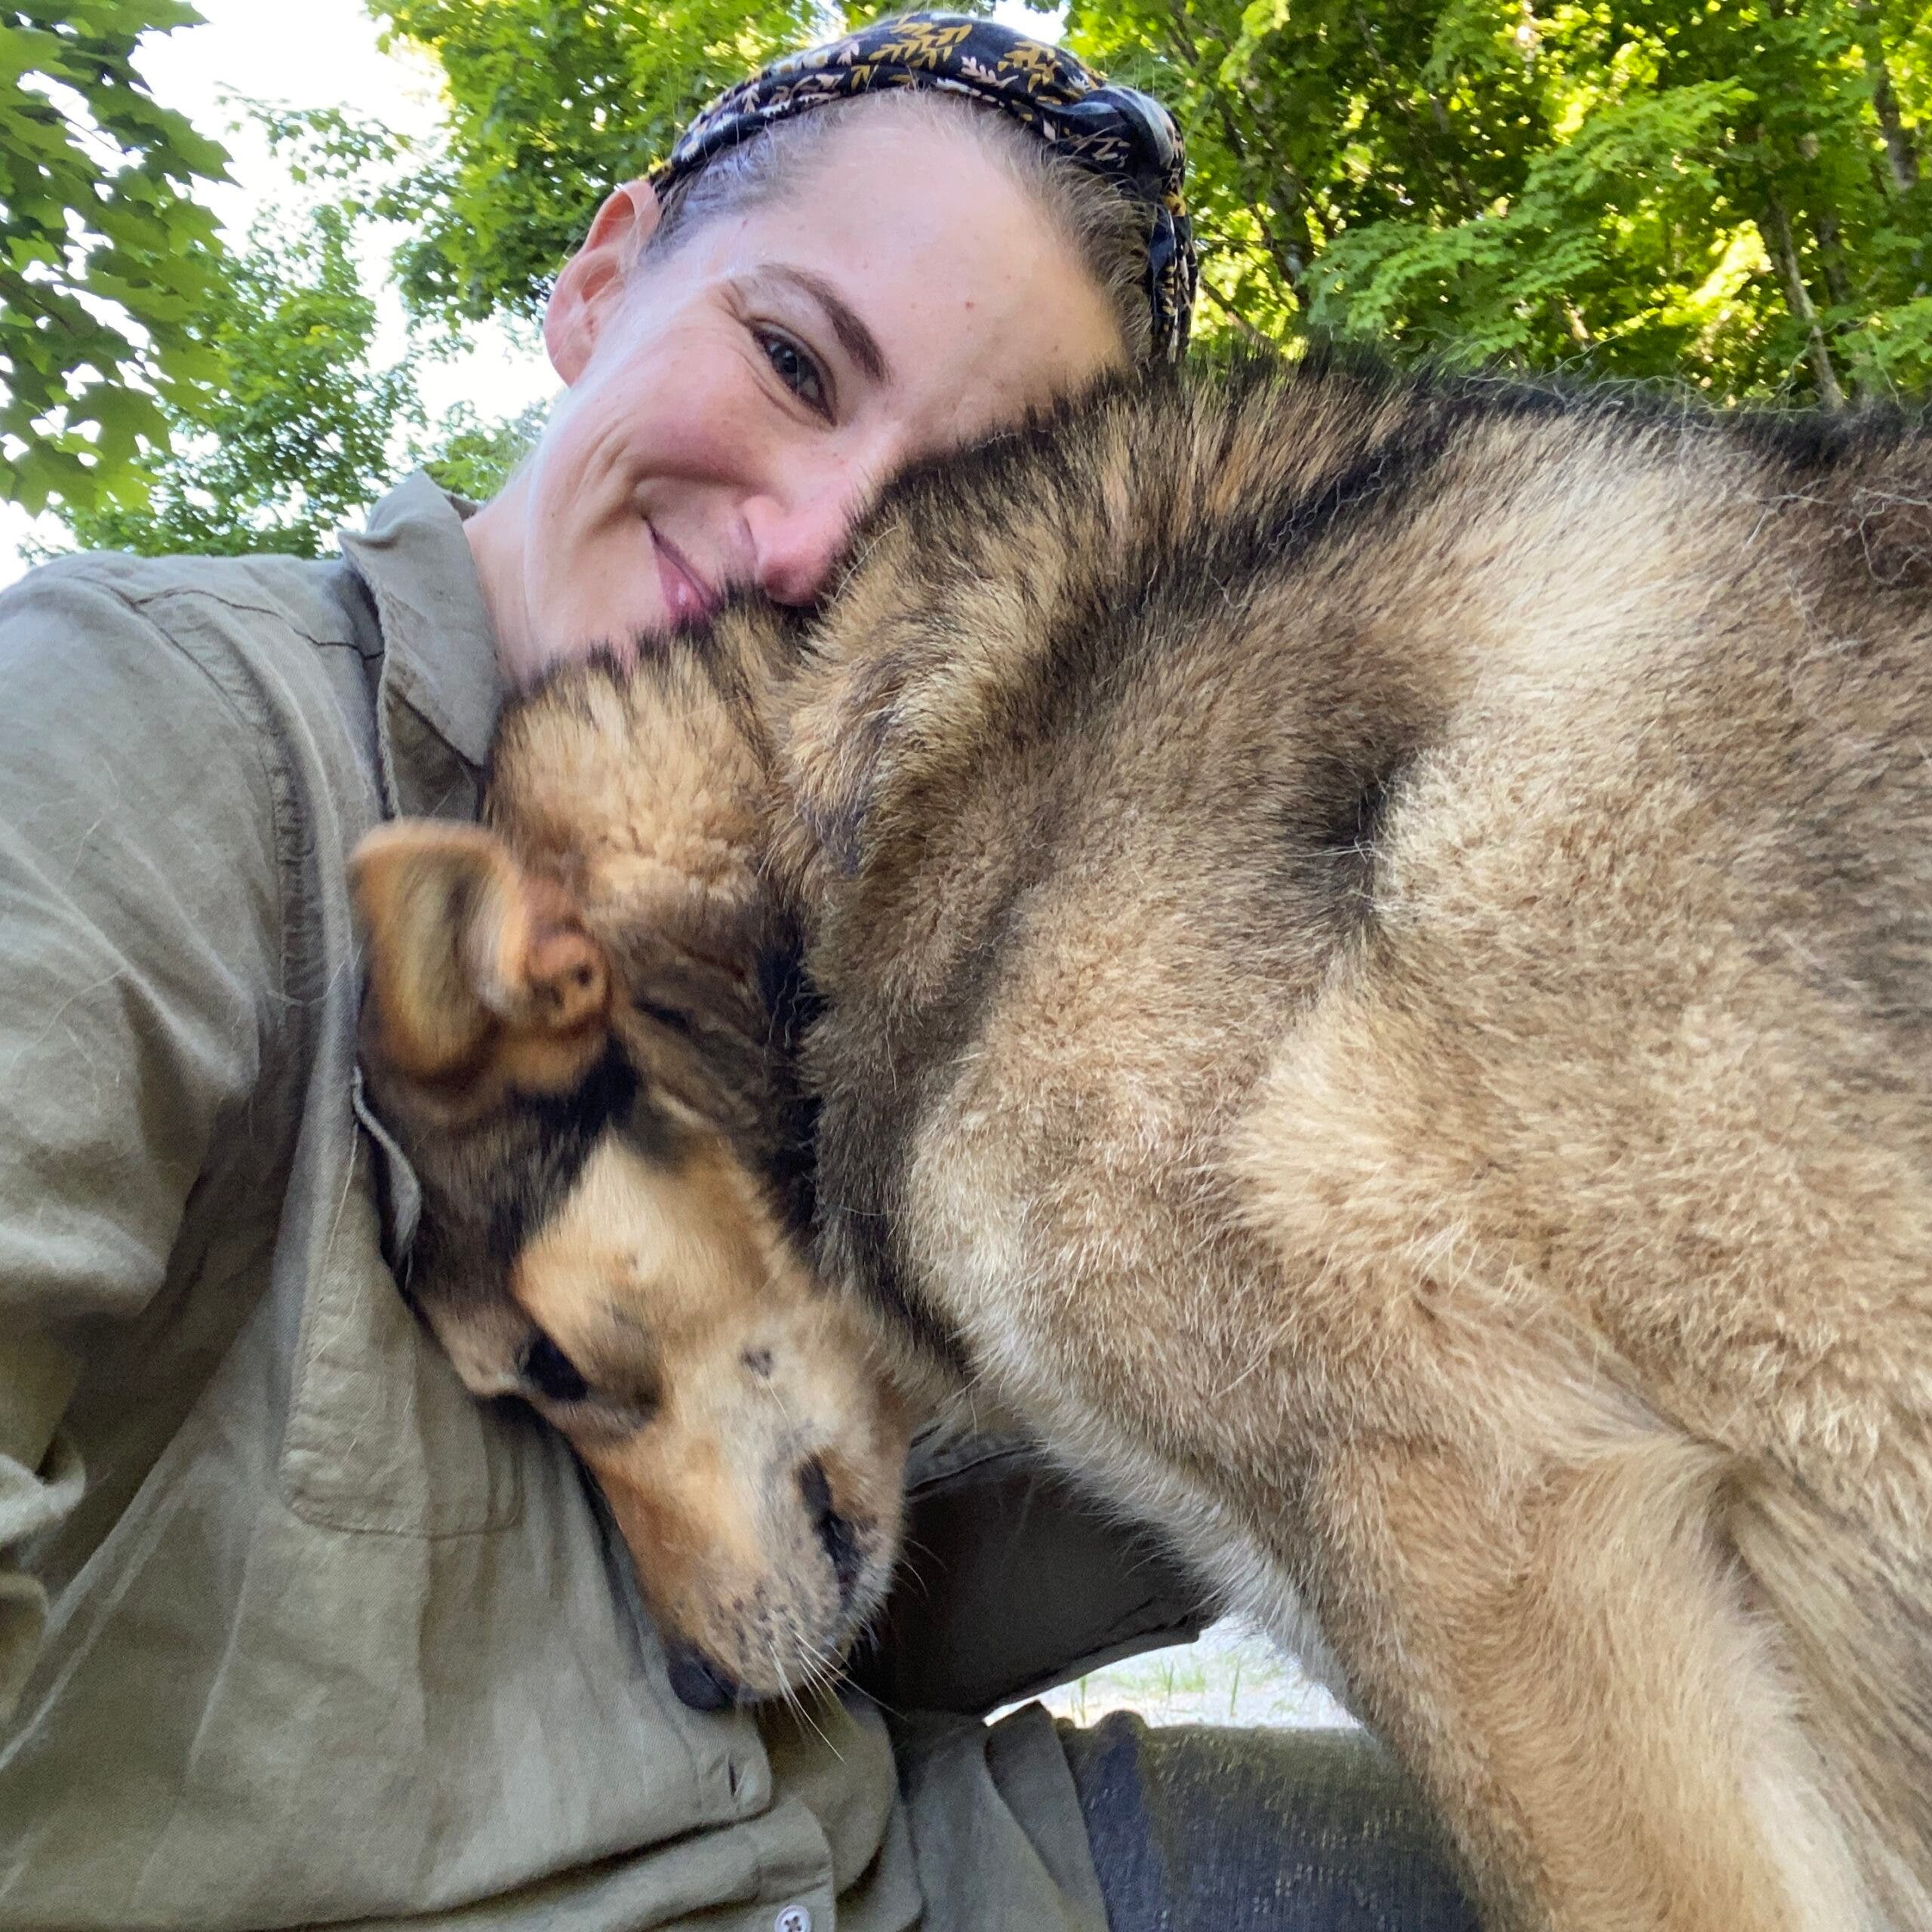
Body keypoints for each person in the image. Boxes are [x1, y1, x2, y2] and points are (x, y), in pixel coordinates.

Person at [0, 14, 1474, 1929]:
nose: (812, 551)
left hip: (911, 1865)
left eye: (952, 533)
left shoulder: (854, 961)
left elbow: (876, 1616)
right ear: (602, 277)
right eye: (791, 360)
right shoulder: (162, 730)